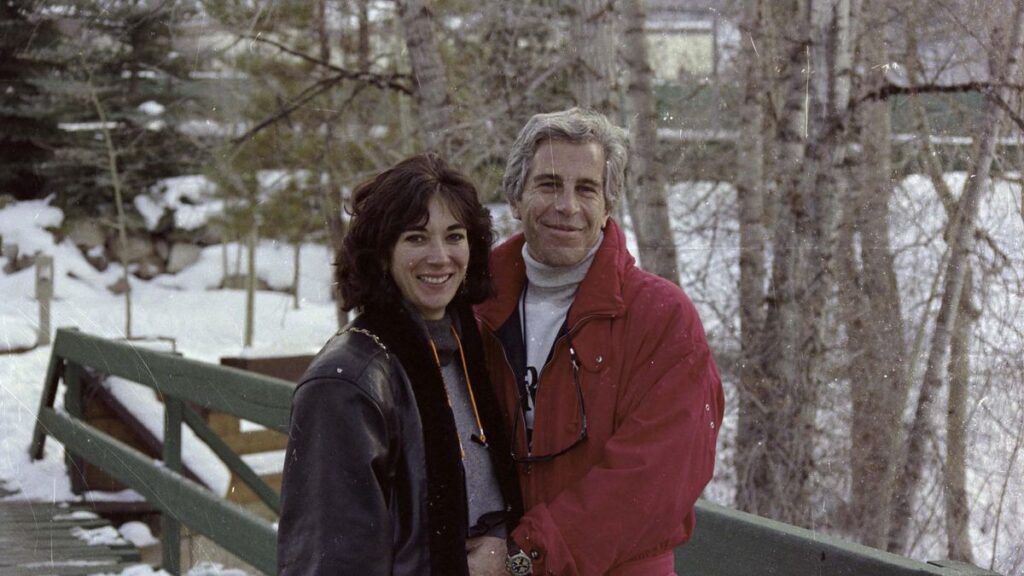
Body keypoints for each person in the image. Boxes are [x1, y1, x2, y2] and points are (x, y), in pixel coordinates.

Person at [475, 108, 724, 576]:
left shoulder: (661, 317)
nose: (566, 205)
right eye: (548, 184)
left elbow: (655, 479)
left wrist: (525, 554)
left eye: (586, 188)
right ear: (515, 196)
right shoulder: (477, 308)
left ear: (607, 204)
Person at [277, 153, 522, 576]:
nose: (440, 257)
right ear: (381, 252)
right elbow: (330, 563)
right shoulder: (346, 384)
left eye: (455, 236)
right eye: (415, 238)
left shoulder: (468, 349)